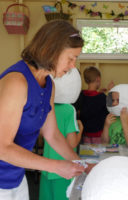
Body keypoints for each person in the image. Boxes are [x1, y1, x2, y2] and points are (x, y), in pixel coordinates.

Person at [0, 20, 87, 200]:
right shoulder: (16, 82)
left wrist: (80, 164)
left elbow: (52, 134)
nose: (73, 65)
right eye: (70, 58)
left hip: (16, 177)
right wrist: (57, 166)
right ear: (51, 50)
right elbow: (1, 149)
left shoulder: (48, 85)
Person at [39, 68, 83, 200]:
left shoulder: (46, 106)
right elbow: (72, 143)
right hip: (64, 169)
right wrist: (80, 130)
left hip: (46, 167)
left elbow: (43, 135)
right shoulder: (69, 110)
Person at [73, 66, 113, 144]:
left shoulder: (81, 95)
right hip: (98, 135)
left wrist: (101, 93)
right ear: (98, 79)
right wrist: (111, 92)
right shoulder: (102, 98)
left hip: (84, 135)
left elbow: (91, 100)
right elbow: (110, 108)